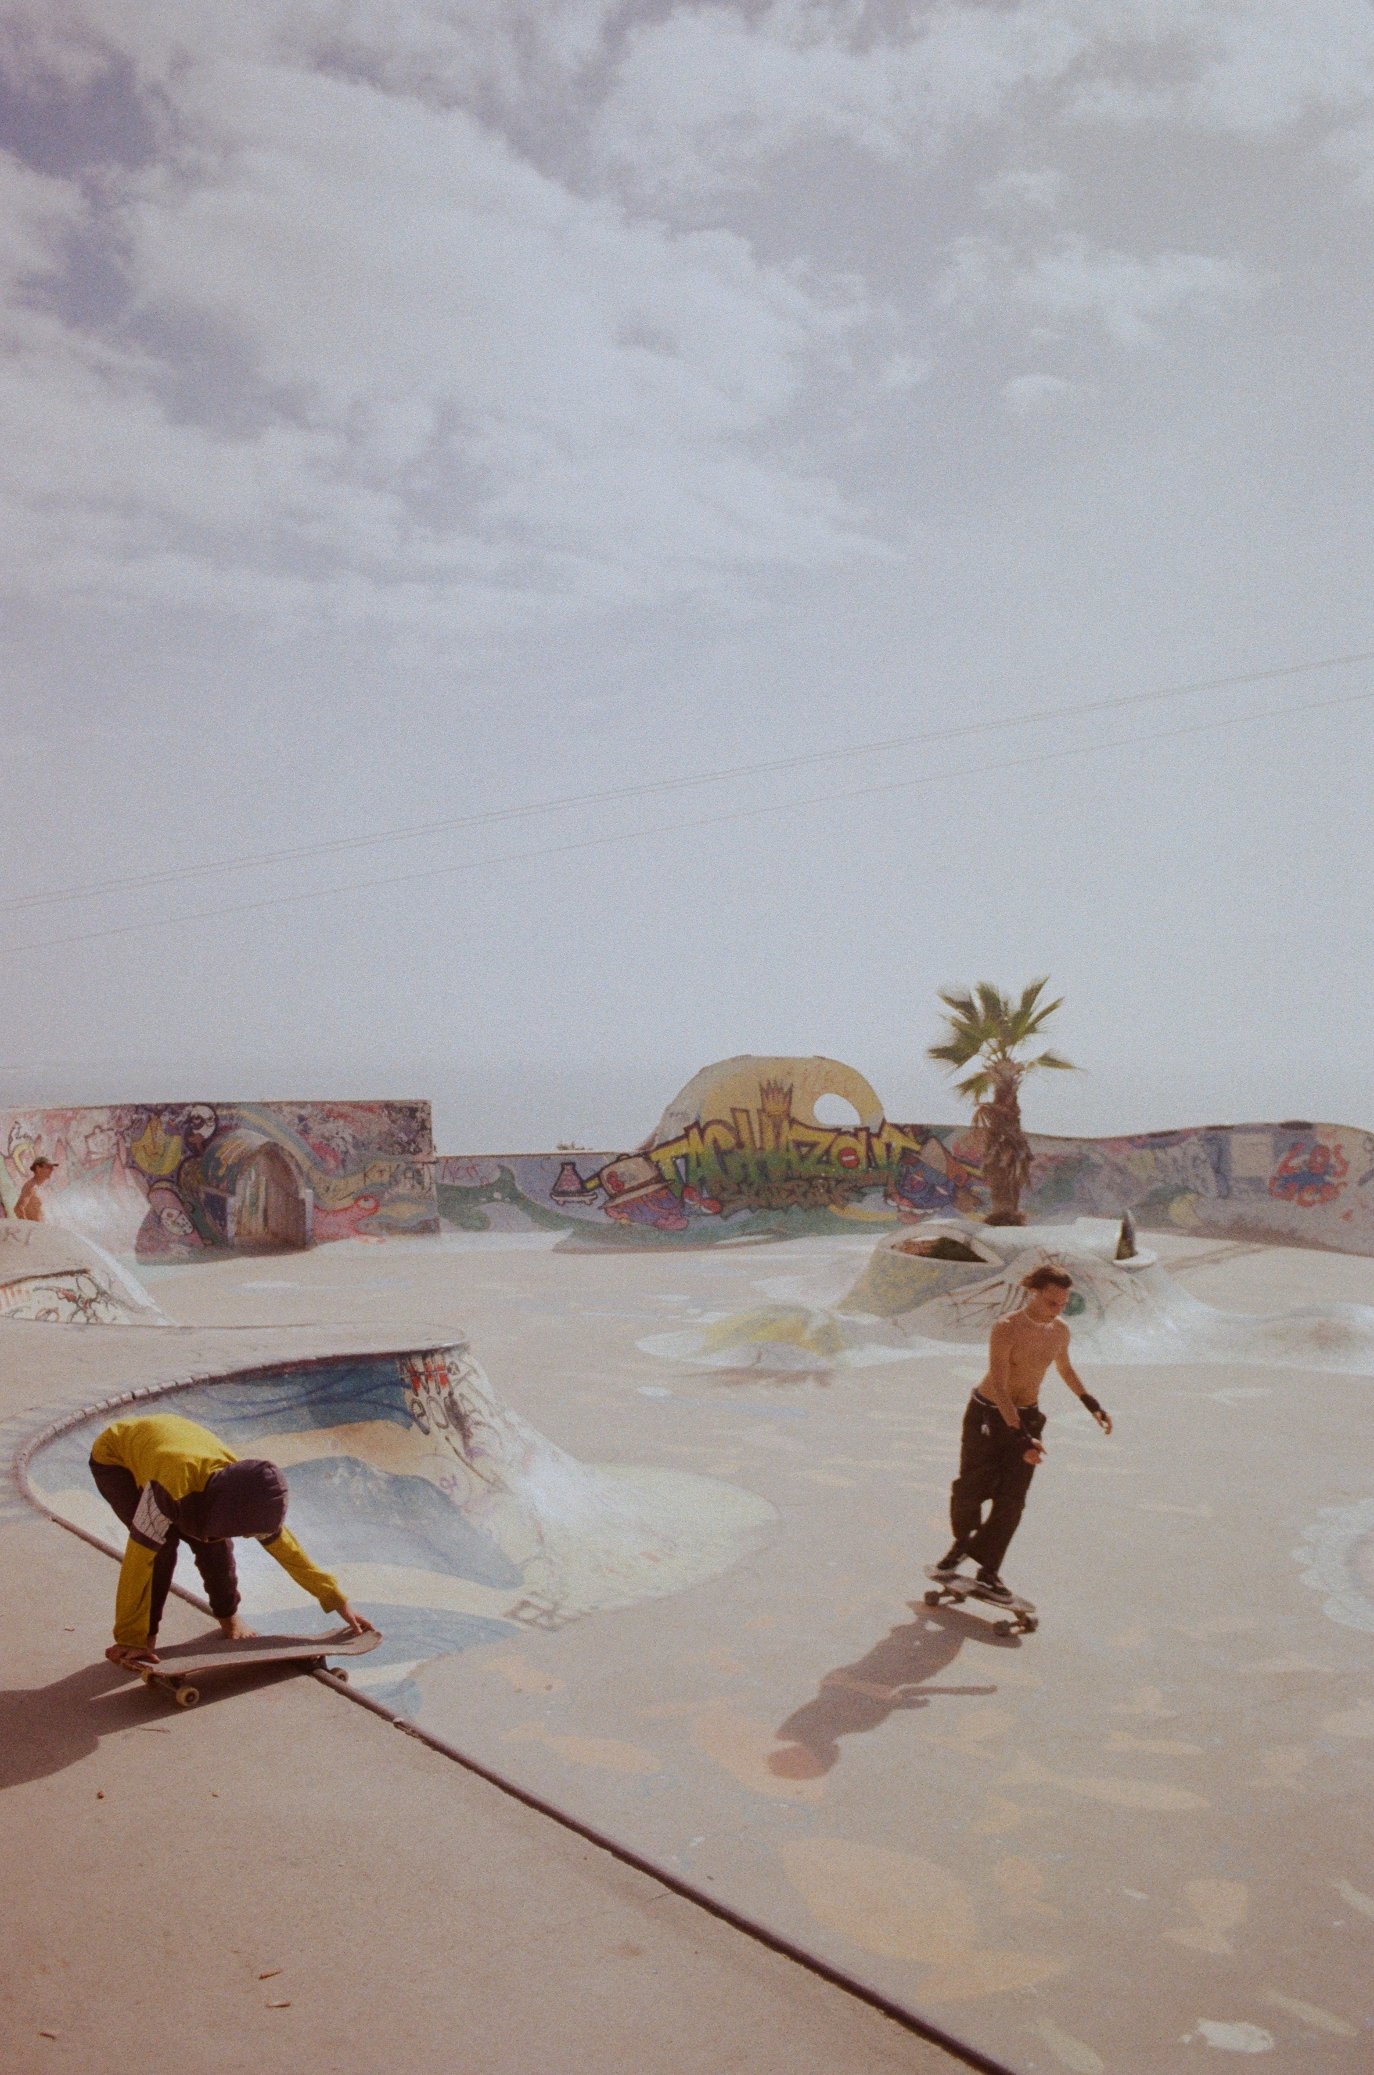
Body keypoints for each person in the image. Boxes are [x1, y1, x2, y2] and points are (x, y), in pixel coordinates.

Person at [89, 1411, 377, 1668]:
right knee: (162, 1547)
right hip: (117, 1461)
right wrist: (130, 1635)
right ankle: (145, 1638)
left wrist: (338, 1600)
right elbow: (139, 1560)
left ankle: (228, 1617)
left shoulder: (247, 1489)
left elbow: (289, 1553)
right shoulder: (168, 1486)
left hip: (178, 1448)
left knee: (214, 1544)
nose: (249, 1536)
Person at [932, 1264, 1112, 1602]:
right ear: (1035, 1293)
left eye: (1062, 1304)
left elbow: (1065, 1368)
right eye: (1050, 1302)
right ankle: (962, 1544)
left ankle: (988, 1570)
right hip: (987, 1413)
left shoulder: (1059, 1331)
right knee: (971, 1488)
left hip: (1027, 1417)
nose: (1056, 1309)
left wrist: (1091, 1403)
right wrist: (1019, 1437)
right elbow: (999, 1386)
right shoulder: (1006, 1329)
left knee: (1012, 1501)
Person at [13, 1156, 55, 1221]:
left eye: (52, 1168)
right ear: (38, 1168)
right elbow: (18, 1208)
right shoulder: (31, 1186)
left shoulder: (39, 1186)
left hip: (41, 1228)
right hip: (36, 1229)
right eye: (48, 1167)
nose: (52, 1170)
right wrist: (28, 1227)